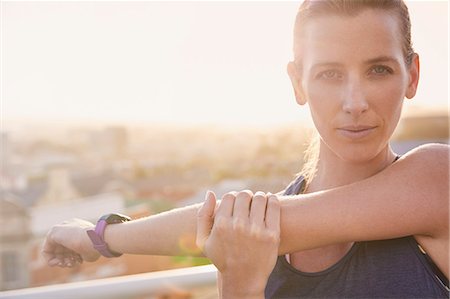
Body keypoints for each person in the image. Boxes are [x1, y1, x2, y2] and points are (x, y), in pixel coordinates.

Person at [43, 0, 449, 298]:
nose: (355, 101)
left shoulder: (438, 178)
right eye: (329, 73)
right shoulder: (245, 235)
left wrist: (99, 237)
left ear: (412, 76)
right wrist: (239, 286)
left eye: (379, 69)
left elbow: (211, 225)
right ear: (297, 83)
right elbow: (215, 225)